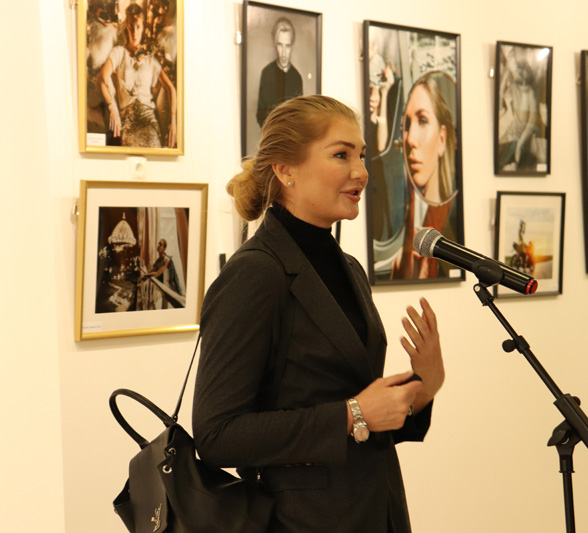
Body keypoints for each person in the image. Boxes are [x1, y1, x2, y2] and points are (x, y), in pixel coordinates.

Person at [193, 95, 445, 532]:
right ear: (285, 170)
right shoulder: (255, 273)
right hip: (298, 522)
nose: (361, 171)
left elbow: (366, 418)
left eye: (361, 155)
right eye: (341, 155)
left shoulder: (350, 269)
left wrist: (424, 389)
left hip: (378, 512)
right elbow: (217, 436)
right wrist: (351, 414)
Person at [392, 72, 458, 280]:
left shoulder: (453, 220)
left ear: (442, 138)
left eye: (422, 120)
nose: (410, 139)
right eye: (406, 124)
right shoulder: (407, 210)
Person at [98, 3, 177, 148]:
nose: (134, 32)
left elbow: (171, 88)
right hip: (128, 121)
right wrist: (111, 107)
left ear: (143, 28)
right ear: (126, 28)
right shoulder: (119, 53)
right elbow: (102, 79)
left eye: (138, 27)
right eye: (131, 27)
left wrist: (173, 122)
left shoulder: (150, 59)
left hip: (149, 121)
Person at [256, 17, 303, 127]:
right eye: (280, 45)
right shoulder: (266, 73)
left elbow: (300, 116)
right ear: (275, 45)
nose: (283, 53)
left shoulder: (297, 77)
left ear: (292, 46)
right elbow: (260, 114)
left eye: (287, 46)